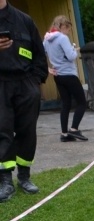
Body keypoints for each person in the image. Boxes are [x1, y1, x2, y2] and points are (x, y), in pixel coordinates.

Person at [0, 0, 48, 202]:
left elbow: (39, 53)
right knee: (2, 131)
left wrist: (36, 82)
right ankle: (5, 181)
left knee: (27, 131)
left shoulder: (24, 20)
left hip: (26, 84)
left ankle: (24, 176)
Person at [43, 16, 89, 144]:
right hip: (69, 74)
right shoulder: (62, 38)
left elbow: (40, 54)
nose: (68, 32)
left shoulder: (47, 38)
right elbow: (71, 56)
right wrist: (74, 49)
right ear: (63, 26)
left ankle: (64, 133)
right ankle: (74, 129)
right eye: (68, 29)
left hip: (58, 75)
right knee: (82, 102)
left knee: (65, 104)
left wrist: (47, 68)